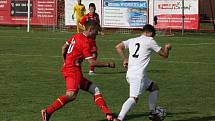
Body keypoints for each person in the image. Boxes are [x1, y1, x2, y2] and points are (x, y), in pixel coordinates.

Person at [40, 22, 115, 121]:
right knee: (71, 95)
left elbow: (63, 48)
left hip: (69, 68)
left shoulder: (76, 36)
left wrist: (65, 62)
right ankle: (48, 111)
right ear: (91, 29)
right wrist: (108, 64)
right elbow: (92, 62)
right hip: (73, 71)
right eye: (96, 32)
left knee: (95, 89)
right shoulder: (85, 42)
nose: (97, 34)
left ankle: (108, 114)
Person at [114, 24, 172, 121]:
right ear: (148, 33)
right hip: (138, 75)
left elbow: (118, 47)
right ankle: (119, 119)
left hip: (132, 73)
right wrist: (167, 47)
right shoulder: (150, 41)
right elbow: (164, 55)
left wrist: (124, 59)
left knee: (154, 88)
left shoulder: (133, 40)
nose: (153, 37)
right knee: (133, 98)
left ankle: (152, 112)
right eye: (153, 35)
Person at [80, 3, 103, 76]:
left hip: (93, 38)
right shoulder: (86, 17)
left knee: (91, 54)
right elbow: (80, 24)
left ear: (95, 8)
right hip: (88, 38)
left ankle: (90, 70)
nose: (92, 10)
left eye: (93, 9)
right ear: (89, 9)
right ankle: (91, 71)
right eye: (91, 9)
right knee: (94, 53)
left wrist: (100, 31)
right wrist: (85, 30)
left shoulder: (96, 16)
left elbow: (98, 25)